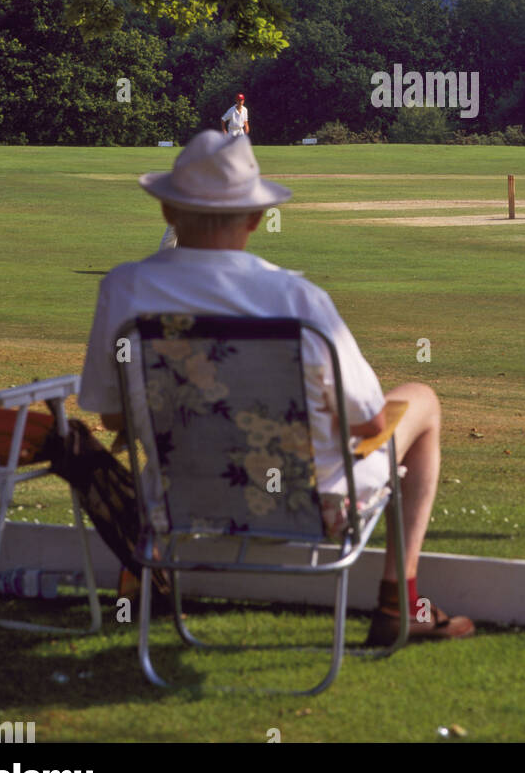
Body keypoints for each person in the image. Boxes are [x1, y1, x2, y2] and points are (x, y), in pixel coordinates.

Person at [78, 131, 474, 643]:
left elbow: (112, 419)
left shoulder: (123, 288)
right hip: (310, 503)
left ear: (167, 214)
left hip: (179, 500)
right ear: (256, 217)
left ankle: (147, 575)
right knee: (422, 400)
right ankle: (399, 602)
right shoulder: (296, 297)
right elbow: (371, 423)